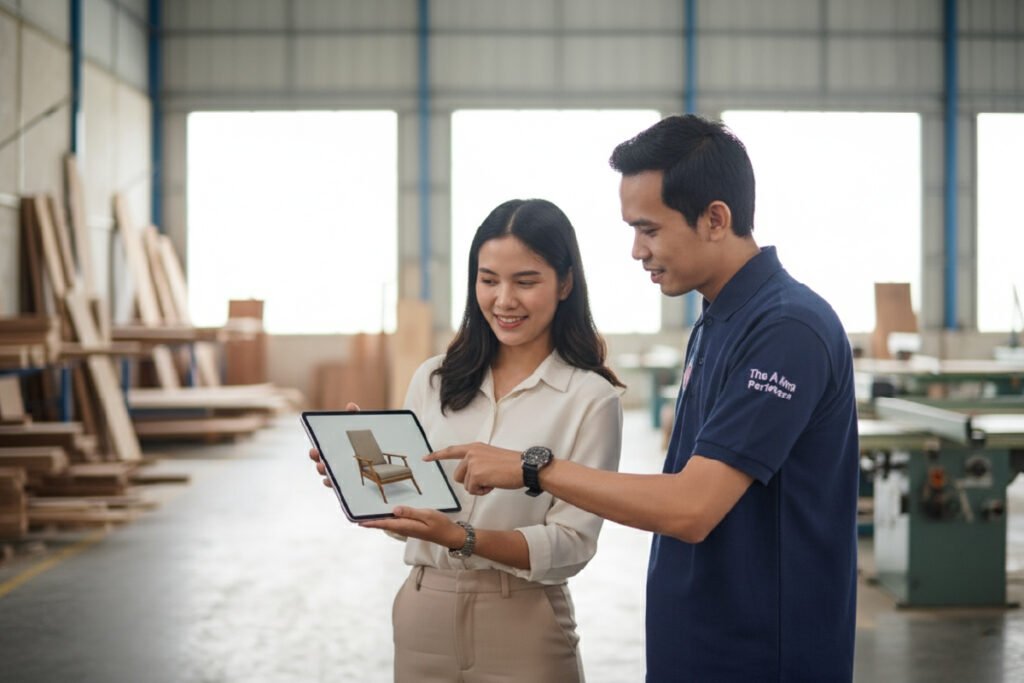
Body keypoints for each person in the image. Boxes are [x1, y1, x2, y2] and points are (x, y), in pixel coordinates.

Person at [429, 115, 860, 682]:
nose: (637, 250)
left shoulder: (786, 329)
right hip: (703, 643)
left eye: (649, 229)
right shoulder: (719, 319)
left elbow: (691, 508)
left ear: (715, 219)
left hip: (763, 653)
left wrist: (533, 468)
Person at [308, 198, 624, 682]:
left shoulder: (590, 398)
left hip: (525, 622)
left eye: (526, 281)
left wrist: (461, 538)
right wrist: (366, 484)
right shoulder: (434, 379)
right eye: (488, 279)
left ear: (565, 283)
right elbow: (408, 515)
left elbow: (571, 544)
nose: (504, 300)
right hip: (422, 615)